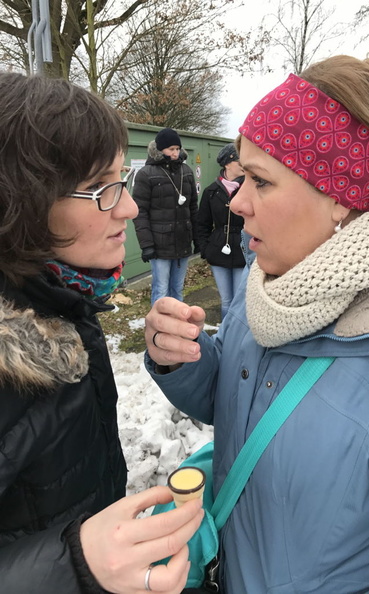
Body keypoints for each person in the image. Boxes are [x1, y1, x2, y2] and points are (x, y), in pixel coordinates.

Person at [143, 55, 369, 593]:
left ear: (342, 199)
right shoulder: (272, 279)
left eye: (261, 181)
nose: (239, 205)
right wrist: (184, 358)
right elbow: (243, 404)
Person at [0, 72, 204, 594]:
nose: (129, 208)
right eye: (98, 189)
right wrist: (72, 567)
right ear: (17, 203)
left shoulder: (66, 300)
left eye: (121, 179)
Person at [132, 127, 199, 306]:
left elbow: (193, 207)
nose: (175, 153)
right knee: (161, 289)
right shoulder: (146, 174)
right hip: (159, 244)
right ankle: (159, 328)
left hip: (183, 241)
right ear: (161, 149)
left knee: (177, 288)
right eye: (171, 149)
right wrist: (146, 245)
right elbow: (140, 212)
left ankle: (177, 326)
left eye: (178, 149)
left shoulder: (187, 171)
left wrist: (198, 239)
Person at [197, 143, 245, 320]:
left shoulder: (250, 190)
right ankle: (225, 337)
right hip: (218, 250)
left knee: (241, 300)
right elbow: (202, 223)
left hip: (243, 250)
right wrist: (205, 249)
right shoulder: (211, 191)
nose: (243, 163)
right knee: (226, 300)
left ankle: (238, 337)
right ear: (227, 163)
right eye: (239, 159)